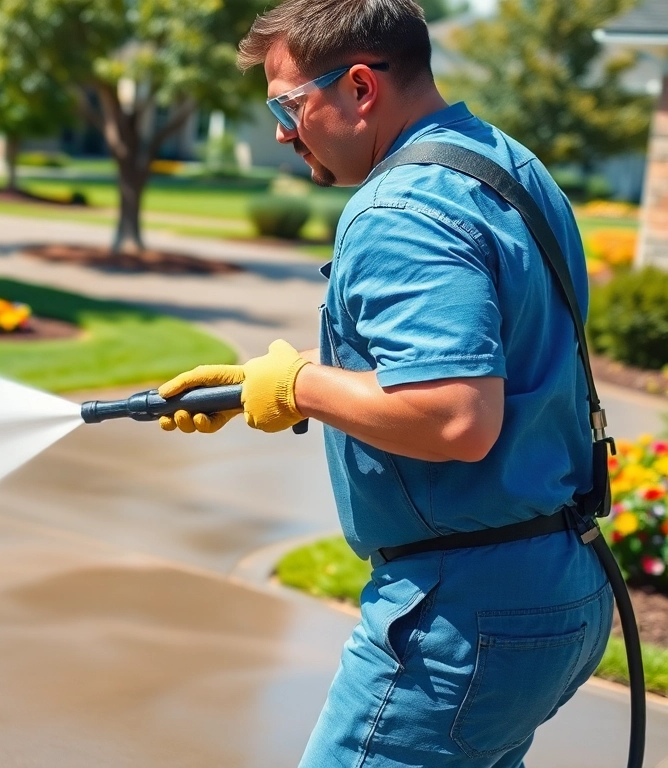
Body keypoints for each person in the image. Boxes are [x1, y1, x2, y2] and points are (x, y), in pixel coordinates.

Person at [157, 0, 613, 765]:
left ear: (360, 88)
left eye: (287, 103)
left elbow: (455, 417)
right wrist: (258, 384)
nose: (279, 129)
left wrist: (300, 386)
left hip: (462, 616)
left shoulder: (401, 207)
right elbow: (464, 354)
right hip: (556, 577)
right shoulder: (503, 162)